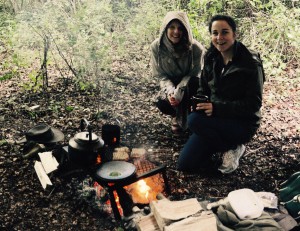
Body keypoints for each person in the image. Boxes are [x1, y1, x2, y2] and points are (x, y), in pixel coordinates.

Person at [177, 15, 265, 174]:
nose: (219, 38)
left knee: (194, 121)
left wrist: (217, 108)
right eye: (215, 33)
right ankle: (222, 143)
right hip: (215, 120)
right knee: (185, 165)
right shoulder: (211, 57)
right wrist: (200, 102)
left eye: (225, 32)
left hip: (241, 123)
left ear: (234, 34)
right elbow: (203, 88)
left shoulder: (250, 63)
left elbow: (253, 104)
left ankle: (234, 147)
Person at [150, 11, 206, 134]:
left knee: (196, 86)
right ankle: (176, 114)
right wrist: (171, 92)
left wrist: (179, 91)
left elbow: (195, 74)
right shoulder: (156, 47)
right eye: (172, 27)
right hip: (169, 83)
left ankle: (191, 116)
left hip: (190, 84)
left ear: (186, 30)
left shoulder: (196, 49)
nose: (176, 32)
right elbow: (160, 74)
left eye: (180, 28)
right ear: (165, 28)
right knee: (161, 102)